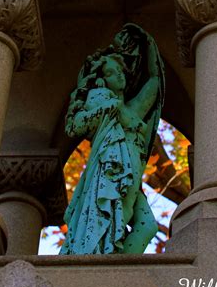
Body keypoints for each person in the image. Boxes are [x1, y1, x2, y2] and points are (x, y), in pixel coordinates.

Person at [60, 24, 165, 255]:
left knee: (147, 226)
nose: (117, 75)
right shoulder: (99, 99)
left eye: (119, 70)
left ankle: (117, 269)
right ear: (101, 79)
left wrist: (147, 42)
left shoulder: (128, 107)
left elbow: (155, 82)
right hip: (112, 170)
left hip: (130, 169)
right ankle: (101, 263)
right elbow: (77, 126)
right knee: (107, 219)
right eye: (109, 73)